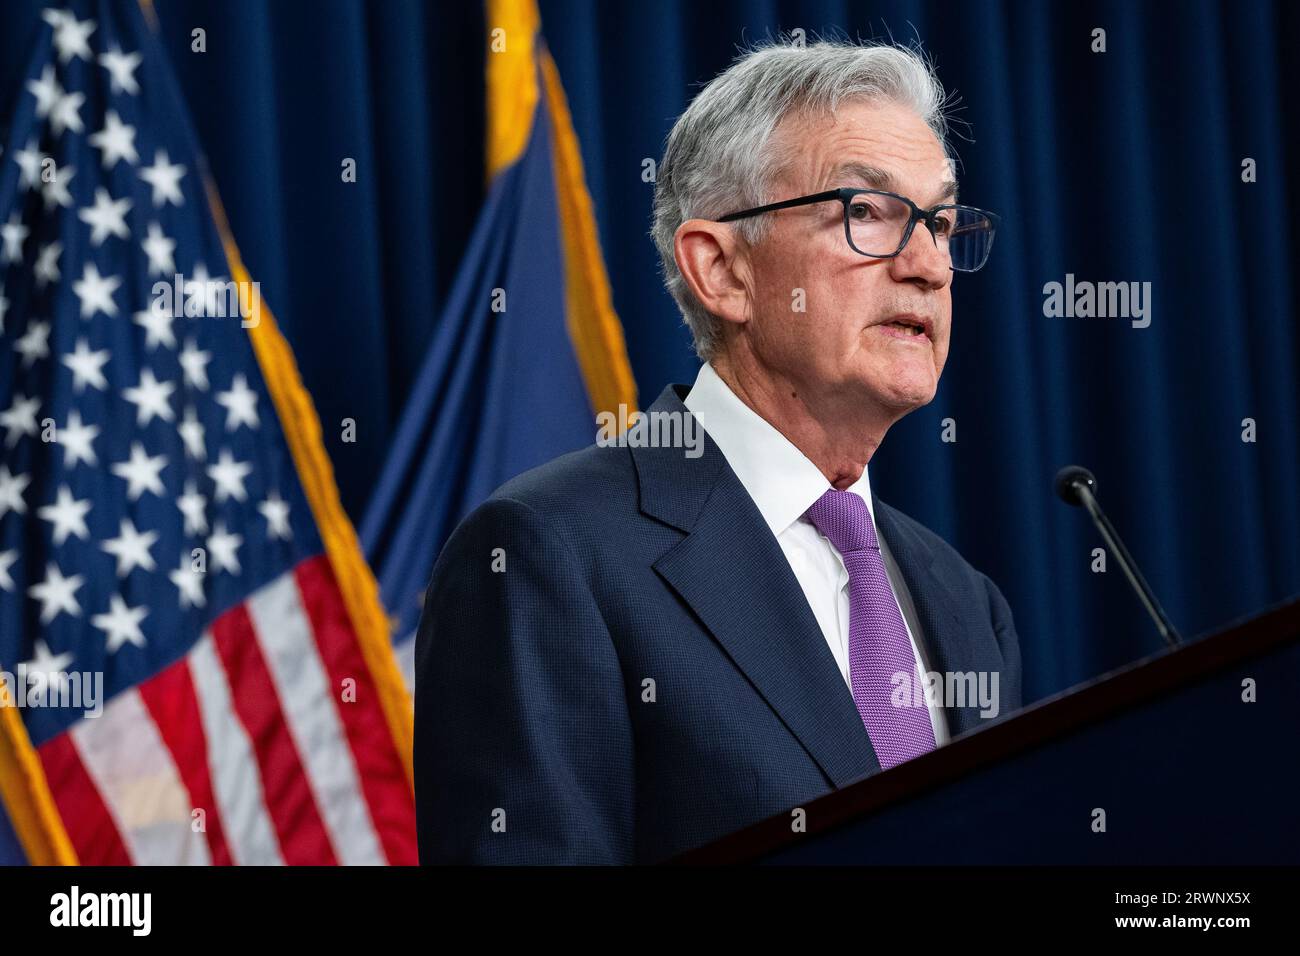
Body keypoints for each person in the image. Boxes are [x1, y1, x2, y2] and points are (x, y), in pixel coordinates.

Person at [415, 39, 1022, 864]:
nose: (927, 265)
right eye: (867, 213)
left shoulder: (965, 601)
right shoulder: (547, 555)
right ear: (721, 269)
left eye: (941, 221)